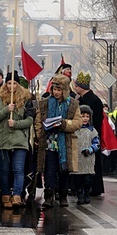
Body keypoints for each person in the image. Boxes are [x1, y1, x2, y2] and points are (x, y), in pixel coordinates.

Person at [35, 74, 82, 208]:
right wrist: (40, 134)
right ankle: (48, 196)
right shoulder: (45, 103)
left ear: (65, 90)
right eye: (54, 89)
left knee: (64, 170)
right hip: (49, 142)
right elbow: (38, 121)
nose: (56, 92)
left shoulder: (73, 104)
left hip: (65, 142)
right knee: (49, 170)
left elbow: (78, 122)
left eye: (59, 90)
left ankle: (62, 196)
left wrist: (64, 124)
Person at [0, 71, 33, 209]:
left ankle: (17, 196)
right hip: (2, 141)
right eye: (9, 83)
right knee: (4, 170)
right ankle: (5, 195)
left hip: (20, 140)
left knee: (18, 169)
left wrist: (16, 124)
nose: (11, 86)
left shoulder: (26, 99)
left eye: (14, 83)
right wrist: (5, 110)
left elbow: (30, 120)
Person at [73, 70, 104, 196]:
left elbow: (96, 120)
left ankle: (95, 187)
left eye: (76, 86)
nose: (74, 88)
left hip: (90, 134)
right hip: (80, 135)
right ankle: (81, 187)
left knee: (93, 161)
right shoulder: (81, 99)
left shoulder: (94, 100)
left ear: (81, 87)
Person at [71, 105, 100, 205]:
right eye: (83, 116)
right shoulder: (74, 130)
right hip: (77, 159)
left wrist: (90, 149)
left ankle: (87, 193)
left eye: (87, 116)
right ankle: (80, 194)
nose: (85, 118)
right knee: (77, 180)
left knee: (87, 179)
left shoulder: (92, 131)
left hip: (88, 159)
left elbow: (97, 143)